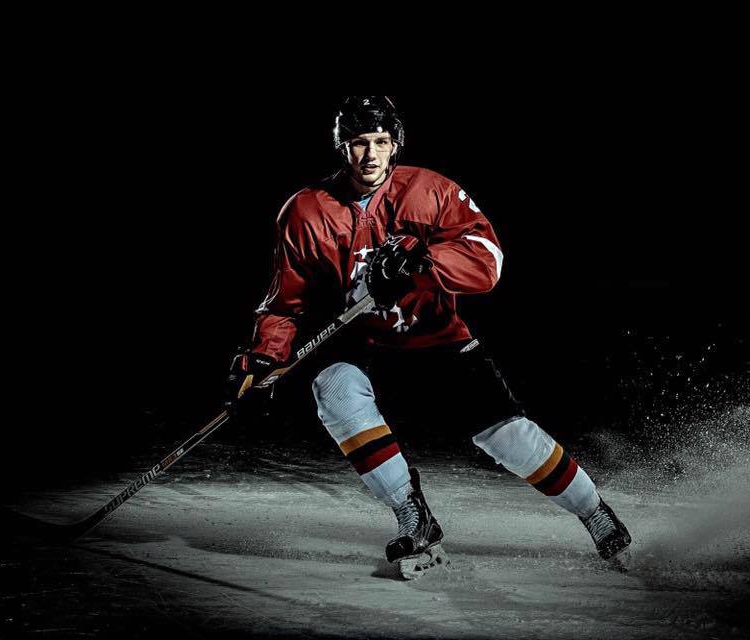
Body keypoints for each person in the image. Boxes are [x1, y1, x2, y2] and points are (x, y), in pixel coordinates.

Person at [226, 96, 631, 578]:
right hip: (364, 347)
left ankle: (594, 511)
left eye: (381, 142)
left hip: (437, 341)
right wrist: (263, 360)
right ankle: (413, 517)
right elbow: (284, 303)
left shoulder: (429, 190)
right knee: (333, 388)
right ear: (342, 147)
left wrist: (424, 261)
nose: (371, 155)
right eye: (359, 143)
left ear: (395, 143)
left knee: (509, 439)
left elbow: (488, 261)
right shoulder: (304, 211)